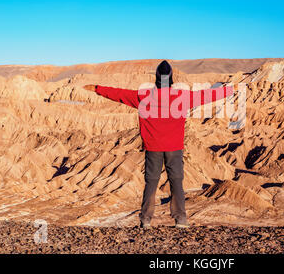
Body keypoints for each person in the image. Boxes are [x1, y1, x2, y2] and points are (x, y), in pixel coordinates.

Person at [84, 60, 234, 228]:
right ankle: (180, 220)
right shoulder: (182, 97)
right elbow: (205, 96)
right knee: (176, 181)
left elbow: (119, 94)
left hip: (153, 147)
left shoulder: (143, 96)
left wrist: (97, 89)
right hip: (174, 148)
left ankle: (146, 220)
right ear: (171, 80)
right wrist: (228, 91)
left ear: (156, 78)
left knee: (151, 182)